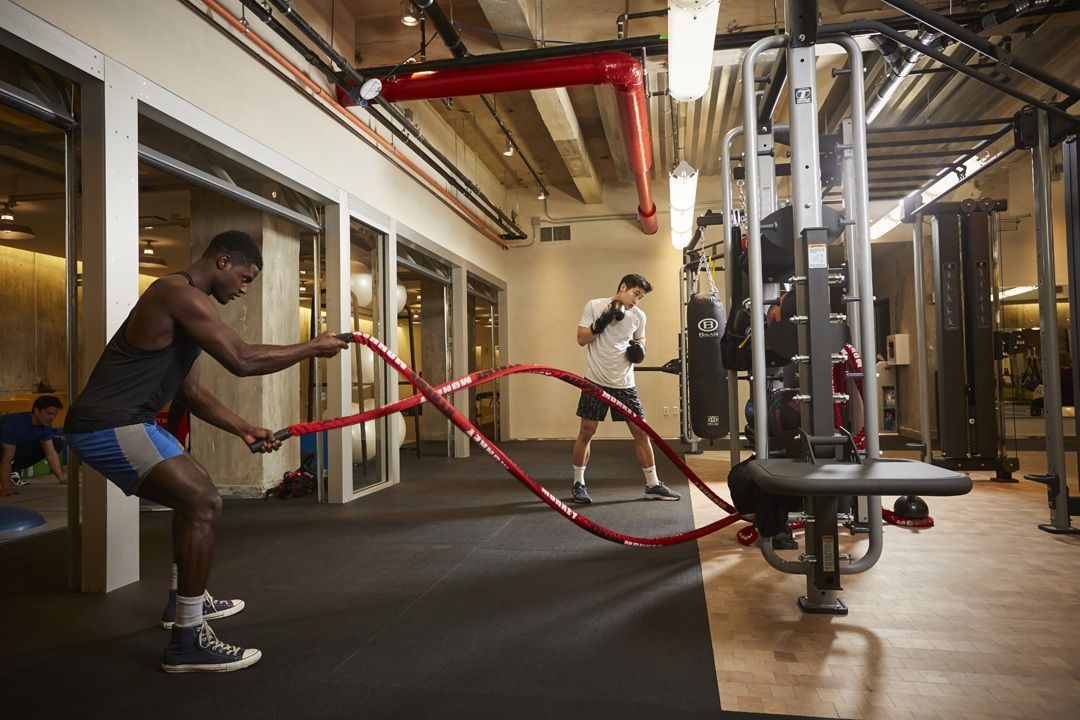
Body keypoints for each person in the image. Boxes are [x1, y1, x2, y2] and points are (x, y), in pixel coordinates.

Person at [64, 230, 347, 673]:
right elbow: (243, 359)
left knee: (194, 494)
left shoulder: (190, 311)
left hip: (133, 420)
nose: (244, 288)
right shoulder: (178, 294)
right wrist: (312, 347)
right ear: (223, 261)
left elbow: (191, 393)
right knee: (204, 501)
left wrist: (244, 428)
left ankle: (182, 601)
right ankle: (187, 640)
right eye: (244, 278)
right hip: (109, 423)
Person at [570, 273, 681, 504]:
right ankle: (578, 483)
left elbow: (641, 340)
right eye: (635, 294)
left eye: (640, 297)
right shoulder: (595, 305)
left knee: (641, 432)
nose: (636, 301)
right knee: (587, 432)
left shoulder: (639, 316)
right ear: (623, 287)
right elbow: (581, 339)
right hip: (595, 380)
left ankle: (652, 484)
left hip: (625, 383)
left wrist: (640, 350)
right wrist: (601, 323)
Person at [1, 395, 67, 496]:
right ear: (36, 410)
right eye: (48, 413)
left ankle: (13, 470)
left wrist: (62, 478)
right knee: (6, 455)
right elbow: (6, 458)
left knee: (56, 443)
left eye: (55, 414)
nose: (52, 418)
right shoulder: (15, 424)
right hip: (3, 450)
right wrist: (6, 488)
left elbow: (50, 454)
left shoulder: (46, 426)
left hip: (14, 448)